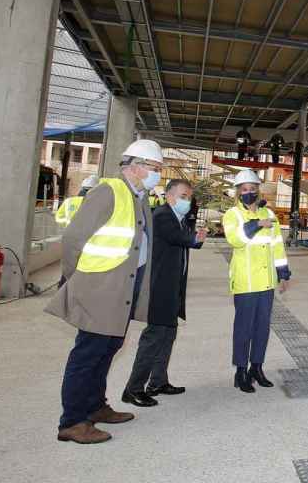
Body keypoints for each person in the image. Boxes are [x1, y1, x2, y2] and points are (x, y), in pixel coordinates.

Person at [45, 139, 163, 444]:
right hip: (101, 286)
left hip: (124, 286)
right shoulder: (108, 191)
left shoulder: (139, 197)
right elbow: (74, 239)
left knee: (109, 348)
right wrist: (76, 279)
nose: (158, 174)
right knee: (89, 353)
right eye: (155, 168)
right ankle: (72, 421)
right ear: (135, 166)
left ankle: (95, 406)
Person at [122, 179, 207, 406]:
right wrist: (195, 238)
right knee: (154, 337)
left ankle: (157, 382)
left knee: (168, 335)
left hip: (171, 288)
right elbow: (178, 238)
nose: (187, 201)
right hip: (159, 288)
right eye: (183, 196)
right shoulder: (162, 215)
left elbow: (185, 240)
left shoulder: (178, 217)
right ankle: (133, 389)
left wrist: (193, 235)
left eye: (189, 197)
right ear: (169, 196)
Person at [222, 169, 291, 393]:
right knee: (244, 328)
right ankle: (240, 371)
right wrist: (257, 224)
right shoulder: (232, 215)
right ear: (238, 192)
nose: (249, 192)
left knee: (262, 328)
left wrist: (283, 273)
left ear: (258, 190)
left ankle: (257, 368)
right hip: (246, 281)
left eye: (252, 189)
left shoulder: (269, 214)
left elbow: (277, 245)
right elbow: (235, 240)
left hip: (267, 281)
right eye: (244, 189)